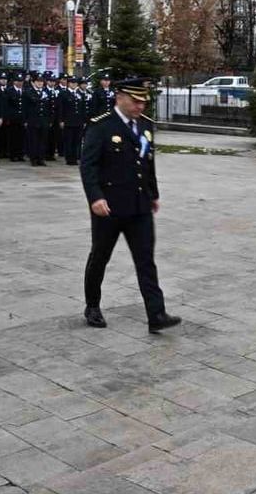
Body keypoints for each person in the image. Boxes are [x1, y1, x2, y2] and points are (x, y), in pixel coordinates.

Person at [80, 76, 181, 333]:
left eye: (143, 102)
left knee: (146, 260)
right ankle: (92, 305)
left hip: (139, 206)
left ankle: (156, 314)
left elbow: (147, 163)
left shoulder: (145, 126)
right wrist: (95, 198)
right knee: (100, 257)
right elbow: (88, 166)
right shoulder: (101, 126)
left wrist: (153, 193)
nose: (140, 106)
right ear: (120, 97)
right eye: (135, 101)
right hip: (109, 207)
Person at [24, 73, 54, 166]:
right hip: (33, 120)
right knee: (33, 140)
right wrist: (25, 120)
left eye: (41, 81)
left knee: (43, 140)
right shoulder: (28, 92)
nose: (40, 83)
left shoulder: (46, 92)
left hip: (44, 120)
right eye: (38, 81)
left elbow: (50, 107)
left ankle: (41, 158)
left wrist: (50, 120)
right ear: (33, 82)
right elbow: (26, 108)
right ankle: (34, 159)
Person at [59, 77, 89, 165]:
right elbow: (61, 108)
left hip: (78, 121)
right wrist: (61, 120)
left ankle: (75, 157)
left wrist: (84, 120)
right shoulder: (63, 94)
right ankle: (69, 158)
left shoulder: (80, 94)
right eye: (72, 83)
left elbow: (83, 108)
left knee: (77, 141)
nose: (74, 85)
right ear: (68, 84)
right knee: (69, 140)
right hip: (68, 121)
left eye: (75, 83)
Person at [4, 74, 27, 161]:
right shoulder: (9, 91)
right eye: (18, 81)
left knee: (21, 137)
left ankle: (20, 154)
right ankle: (13, 155)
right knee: (13, 137)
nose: (20, 83)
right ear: (14, 82)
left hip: (22, 118)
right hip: (12, 118)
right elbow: (6, 105)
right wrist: (7, 118)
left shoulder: (25, 91)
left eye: (21, 81)